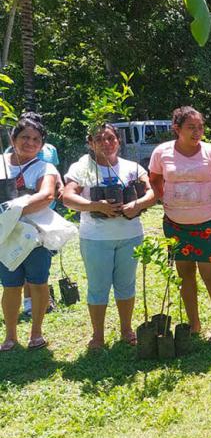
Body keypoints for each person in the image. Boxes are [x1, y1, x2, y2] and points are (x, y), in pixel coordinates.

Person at [62, 123, 157, 349]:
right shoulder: (82, 168)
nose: (106, 143)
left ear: (118, 140)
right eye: (99, 139)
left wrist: (138, 203)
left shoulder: (131, 167)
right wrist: (96, 205)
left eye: (110, 138)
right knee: (98, 287)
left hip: (130, 235)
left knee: (126, 284)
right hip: (95, 238)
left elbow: (152, 193)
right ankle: (98, 336)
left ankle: (126, 329)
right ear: (90, 143)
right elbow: (67, 197)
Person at [149, 106, 211, 341]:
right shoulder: (162, 152)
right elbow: (154, 179)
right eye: (191, 128)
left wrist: (207, 202)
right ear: (177, 129)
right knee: (185, 274)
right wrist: (165, 198)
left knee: (210, 274)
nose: (197, 132)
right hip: (175, 224)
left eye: (200, 127)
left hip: (208, 224)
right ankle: (194, 324)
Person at [0, 115, 59, 351]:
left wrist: (10, 208)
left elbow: (46, 196)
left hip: (36, 236)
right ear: (13, 139)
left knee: (38, 282)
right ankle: (10, 335)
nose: (30, 143)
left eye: (36, 139)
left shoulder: (46, 167)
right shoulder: (1, 162)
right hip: (5, 237)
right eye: (25, 137)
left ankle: (36, 333)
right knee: (10, 285)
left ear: (42, 145)